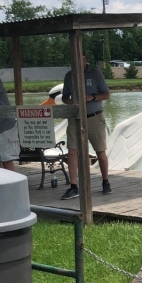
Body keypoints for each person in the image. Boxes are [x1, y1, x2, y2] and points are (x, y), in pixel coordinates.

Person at [60, 53, 111, 199]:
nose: (78, 61)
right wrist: (69, 101)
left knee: (100, 152)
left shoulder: (95, 74)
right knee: (71, 151)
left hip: (94, 117)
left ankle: (105, 181)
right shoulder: (69, 76)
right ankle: (73, 186)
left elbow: (106, 94)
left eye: (80, 58)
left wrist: (92, 97)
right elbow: (64, 96)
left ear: (85, 58)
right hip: (75, 118)